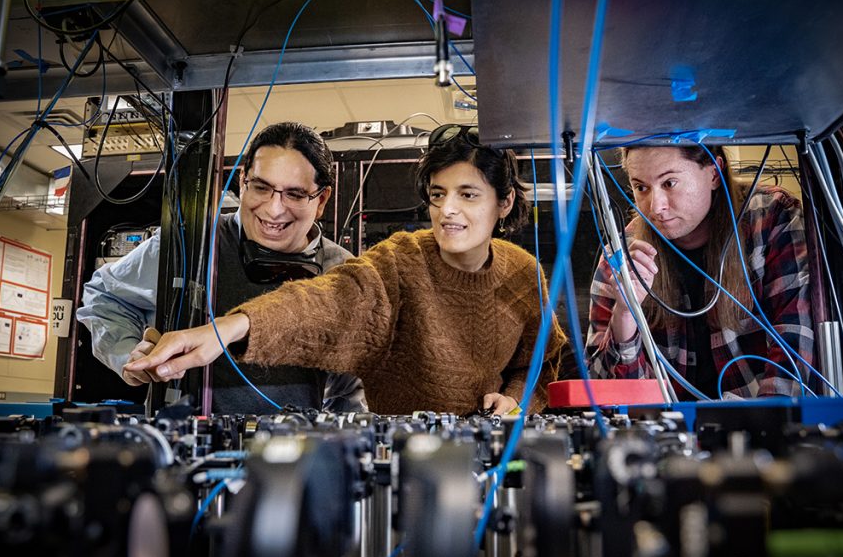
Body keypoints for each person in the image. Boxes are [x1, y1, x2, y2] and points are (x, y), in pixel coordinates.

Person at [125, 125, 567, 416]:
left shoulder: (521, 275)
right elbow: (325, 302)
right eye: (438, 194)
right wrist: (230, 328)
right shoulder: (400, 262)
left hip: (488, 464)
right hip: (400, 465)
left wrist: (514, 401)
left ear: (503, 202)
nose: (447, 210)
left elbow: (541, 364)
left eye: (468, 194)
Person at [77, 122, 365, 414]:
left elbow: (351, 385)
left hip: (295, 449)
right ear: (242, 181)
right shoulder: (191, 241)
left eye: (295, 194)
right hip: (189, 446)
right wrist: (128, 353)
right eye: (261, 187)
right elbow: (103, 297)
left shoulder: (341, 270)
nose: (274, 209)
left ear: (322, 200)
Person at [586, 145, 814, 399]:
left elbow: (795, 344)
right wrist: (625, 316)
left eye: (670, 183)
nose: (655, 206)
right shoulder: (623, 257)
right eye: (641, 188)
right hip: (666, 434)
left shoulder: (770, 219)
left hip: (764, 429)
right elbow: (607, 396)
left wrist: (763, 425)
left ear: (714, 173)